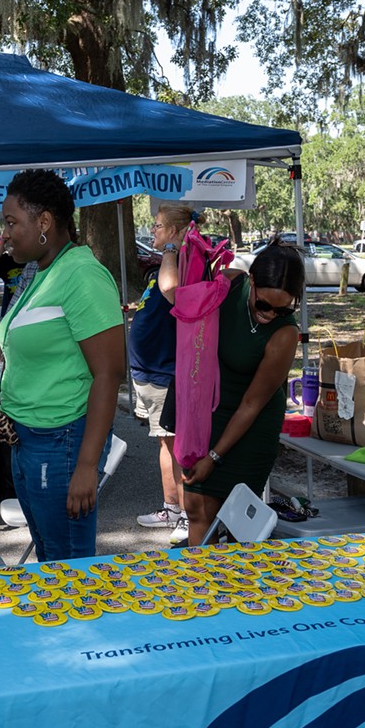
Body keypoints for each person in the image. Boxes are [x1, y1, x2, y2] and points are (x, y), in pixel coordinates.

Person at [0, 169, 125, 561]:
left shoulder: (82, 275)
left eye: (11, 222)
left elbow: (109, 373)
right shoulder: (40, 272)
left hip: (61, 444)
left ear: (45, 222)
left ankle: (76, 627)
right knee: (50, 561)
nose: (5, 233)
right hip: (29, 442)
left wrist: (86, 466)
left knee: (67, 571)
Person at [176, 239, 305, 545]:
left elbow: (251, 404)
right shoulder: (230, 284)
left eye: (282, 308)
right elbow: (179, 300)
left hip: (251, 427)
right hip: (211, 413)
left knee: (235, 525)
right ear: (251, 281)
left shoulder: (285, 334)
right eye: (264, 304)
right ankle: (199, 586)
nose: (270, 314)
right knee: (197, 510)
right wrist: (173, 250)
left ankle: (230, 589)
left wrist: (214, 456)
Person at [129, 204, 192, 545]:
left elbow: (171, 290)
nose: (152, 232)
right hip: (147, 370)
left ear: (174, 232)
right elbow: (156, 298)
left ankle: (186, 513)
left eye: (158, 228)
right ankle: (171, 507)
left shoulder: (179, 264)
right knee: (164, 442)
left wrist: (171, 248)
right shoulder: (160, 268)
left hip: (164, 370)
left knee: (178, 446)